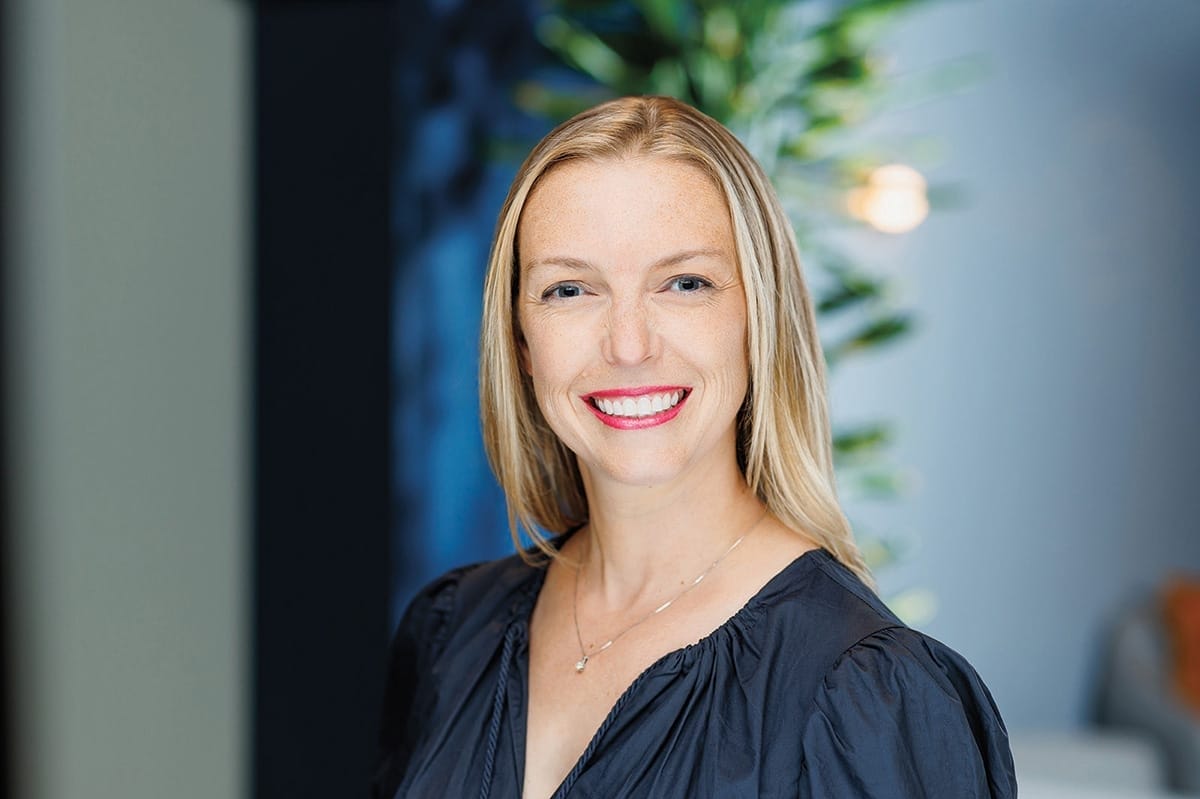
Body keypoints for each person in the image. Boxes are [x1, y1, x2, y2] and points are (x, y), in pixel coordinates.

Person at [373, 96, 1016, 799]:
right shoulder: (451, 632)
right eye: (569, 289)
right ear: (522, 340)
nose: (627, 344)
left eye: (685, 283)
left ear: (756, 316)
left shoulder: (869, 693)